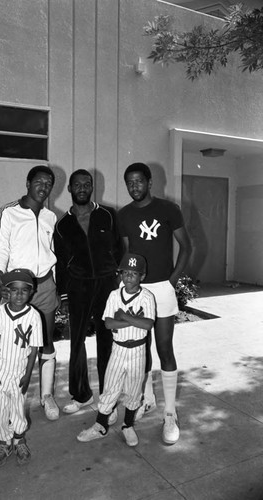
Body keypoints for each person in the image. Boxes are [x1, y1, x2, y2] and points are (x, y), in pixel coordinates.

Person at [118, 162, 191, 445]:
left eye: (138, 181)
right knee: (138, 350)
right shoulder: (124, 215)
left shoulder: (169, 209)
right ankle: (145, 400)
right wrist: (126, 288)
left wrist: (171, 281)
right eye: (129, 183)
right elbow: (127, 255)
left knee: (164, 348)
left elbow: (187, 246)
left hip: (162, 288)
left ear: (149, 182)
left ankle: (170, 414)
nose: (134, 186)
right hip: (137, 290)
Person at [0, 165, 60, 422]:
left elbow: (53, 254)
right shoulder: (9, 212)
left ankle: (47, 396)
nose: (44, 187)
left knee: (46, 342)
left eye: (49, 183)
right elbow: (0, 247)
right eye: (39, 182)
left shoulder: (50, 217)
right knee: (12, 347)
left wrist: (57, 288)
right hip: (18, 289)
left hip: (45, 286)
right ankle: (9, 396)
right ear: (28, 183)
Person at [54, 169, 123, 414]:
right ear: (70, 189)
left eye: (86, 184)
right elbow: (61, 263)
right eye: (77, 184)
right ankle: (82, 395)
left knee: (107, 341)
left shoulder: (108, 215)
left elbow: (118, 250)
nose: (82, 188)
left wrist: (115, 279)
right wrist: (63, 294)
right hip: (78, 286)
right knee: (77, 342)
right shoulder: (62, 225)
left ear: (92, 187)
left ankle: (108, 398)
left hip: (106, 284)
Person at [77, 253, 155, 447]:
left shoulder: (147, 297)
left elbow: (147, 324)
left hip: (138, 350)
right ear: (120, 274)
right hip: (118, 349)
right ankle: (100, 426)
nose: (129, 277)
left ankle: (128, 426)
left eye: (134, 273)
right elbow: (109, 322)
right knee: (110, 388)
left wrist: (123, 316)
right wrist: (129, 319)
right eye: (125, 272)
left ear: (142, 276)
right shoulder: (114, 295)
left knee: (134, 390)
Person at [0, 268, 43, 466]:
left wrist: (28, 374)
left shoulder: (33, 316)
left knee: (18, 407)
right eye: (14, 290)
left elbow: (34, 348)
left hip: (20, 370)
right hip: (0, 370)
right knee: (0, 410)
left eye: (24, 290)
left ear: (31, 292)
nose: (19, 295)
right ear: (7, 291)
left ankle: (19, 440)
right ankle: (4, 443)